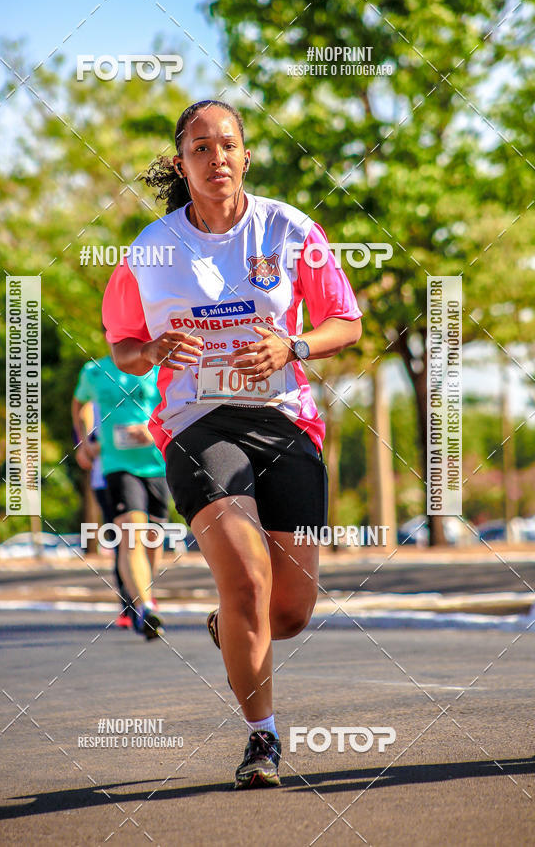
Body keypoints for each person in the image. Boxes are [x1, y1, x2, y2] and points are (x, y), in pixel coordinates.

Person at [102, 99, 362, 786]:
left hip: (284, 421)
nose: (216, 157)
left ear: (246, 156)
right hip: (197, 423)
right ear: (181, 164)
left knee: (290, 612)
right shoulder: (150, 250)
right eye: (200, 148)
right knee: (246, 577)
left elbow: (346, 322)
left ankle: (233, 624)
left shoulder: (290, 229)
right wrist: (151, 350)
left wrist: (293, 345)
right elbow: (124, 345)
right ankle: (262, 738)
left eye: (227, 145)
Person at [72, 351, 168, 640]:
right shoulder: (94, 371)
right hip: (117, 466)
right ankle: (144, 607)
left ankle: (144, 593)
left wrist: (155, 431)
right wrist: (84, 441)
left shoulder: (158, 366)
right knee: (130, 536)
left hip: (158, 464)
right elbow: (79, 404)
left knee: (153, 538)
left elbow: (175, 404)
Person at [73, 401, 132, 627]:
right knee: (123, 543)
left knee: (147, 538)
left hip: (148, 472)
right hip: (107, 479)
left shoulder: (146, 388)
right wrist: (87, 442)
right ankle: (130, 606)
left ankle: (143, 597)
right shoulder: (98, 392)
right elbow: (86, 450)